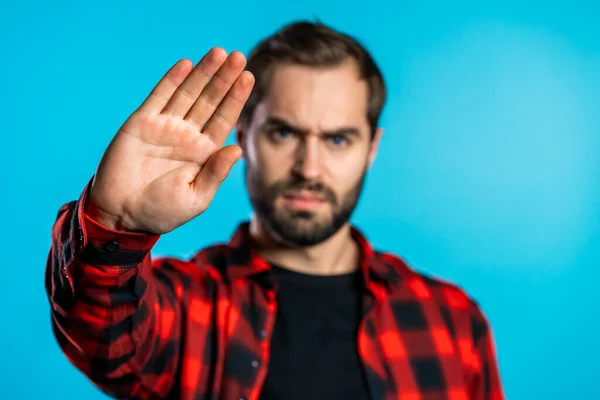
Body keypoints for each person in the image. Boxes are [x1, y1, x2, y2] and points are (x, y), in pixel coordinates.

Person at [46, 21, 504, 400]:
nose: (309, 168)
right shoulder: (185, 307)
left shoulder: (452, 321)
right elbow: (104, 339)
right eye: (283, 134)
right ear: (243, 134)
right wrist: (118, 224)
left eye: (338, 139)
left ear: (371, 149)